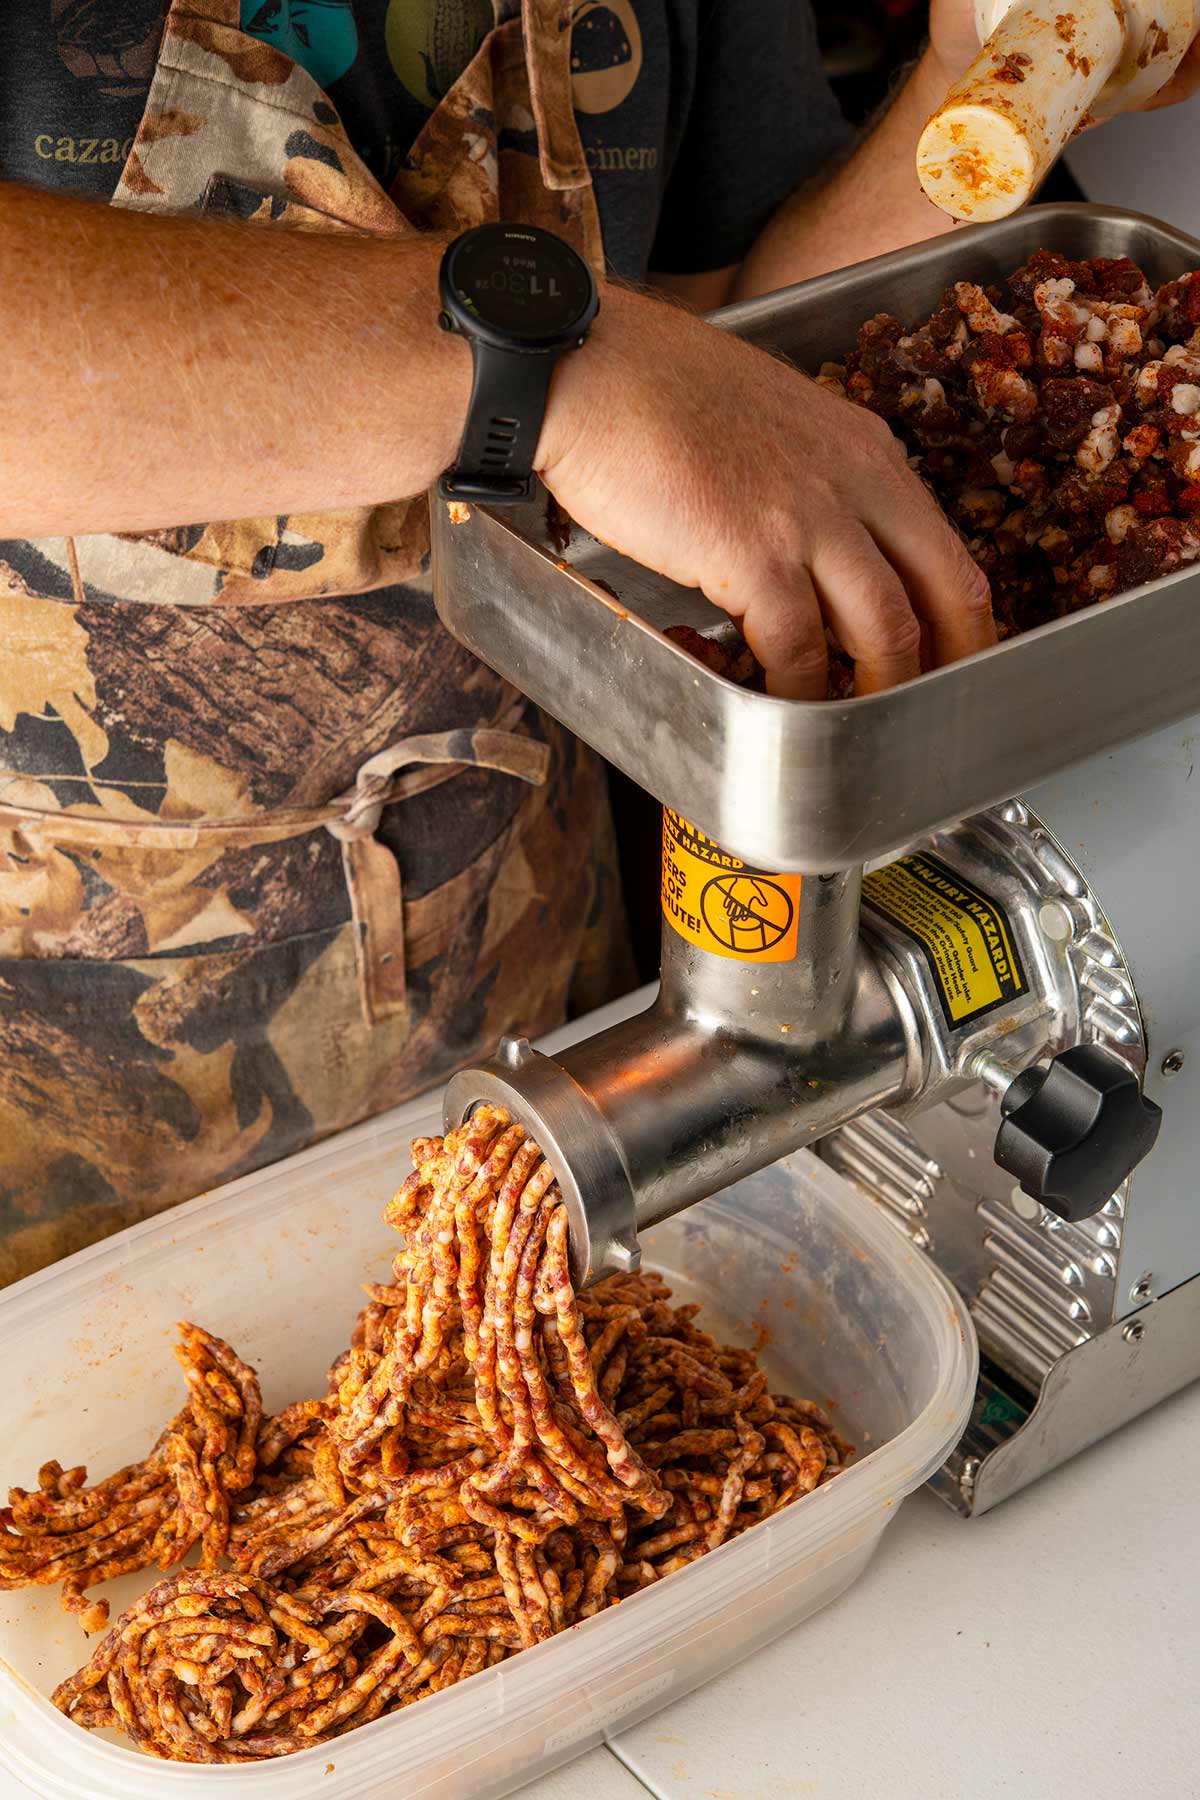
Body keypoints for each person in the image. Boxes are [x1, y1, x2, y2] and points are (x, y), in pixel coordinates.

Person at [1, 2, 1196, 1283]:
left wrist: (966, 89)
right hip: (61, 1082)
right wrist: (555, 371)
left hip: (542, 954)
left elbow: (722, 346)